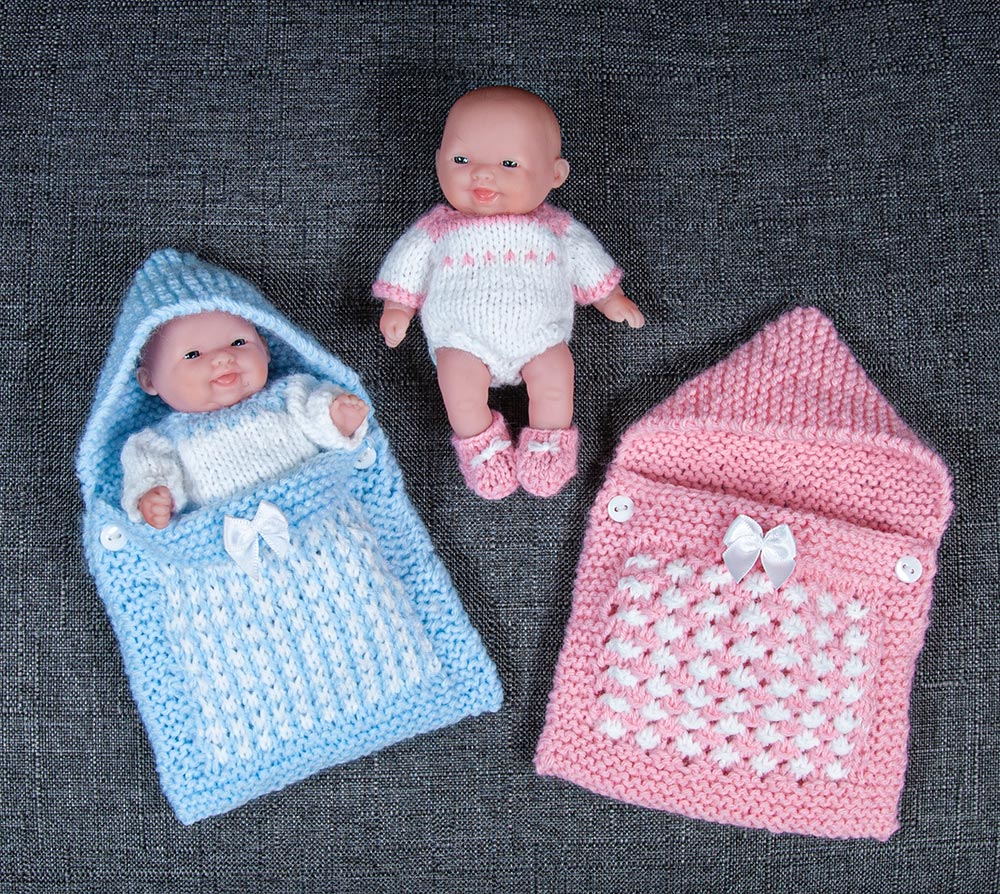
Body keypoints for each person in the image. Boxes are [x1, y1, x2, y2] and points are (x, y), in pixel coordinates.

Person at [373, 86, 644, 499]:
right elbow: (406, 267)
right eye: (461, 160)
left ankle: (549, 444)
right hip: (462, 339)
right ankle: (482, 447)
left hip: (540, 338)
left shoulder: (555, 228)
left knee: (556, 377)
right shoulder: (437, 229)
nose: (482, 175)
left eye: (509, 164)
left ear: (555, 175)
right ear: (439, 161)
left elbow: (587, 260)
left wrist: (610, 297)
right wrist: (398, 306)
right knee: (459, 390)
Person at [121, 309, 369, 527]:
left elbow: (317, 414)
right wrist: (154, 497)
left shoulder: (289, 394)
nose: (222, 358)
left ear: (265, 348)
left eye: (238, 342)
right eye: (193, 354)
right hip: (233, 543)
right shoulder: (163, 439)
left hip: (317, 516)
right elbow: (149, 470)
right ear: (149, 381)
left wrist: (337, 417)